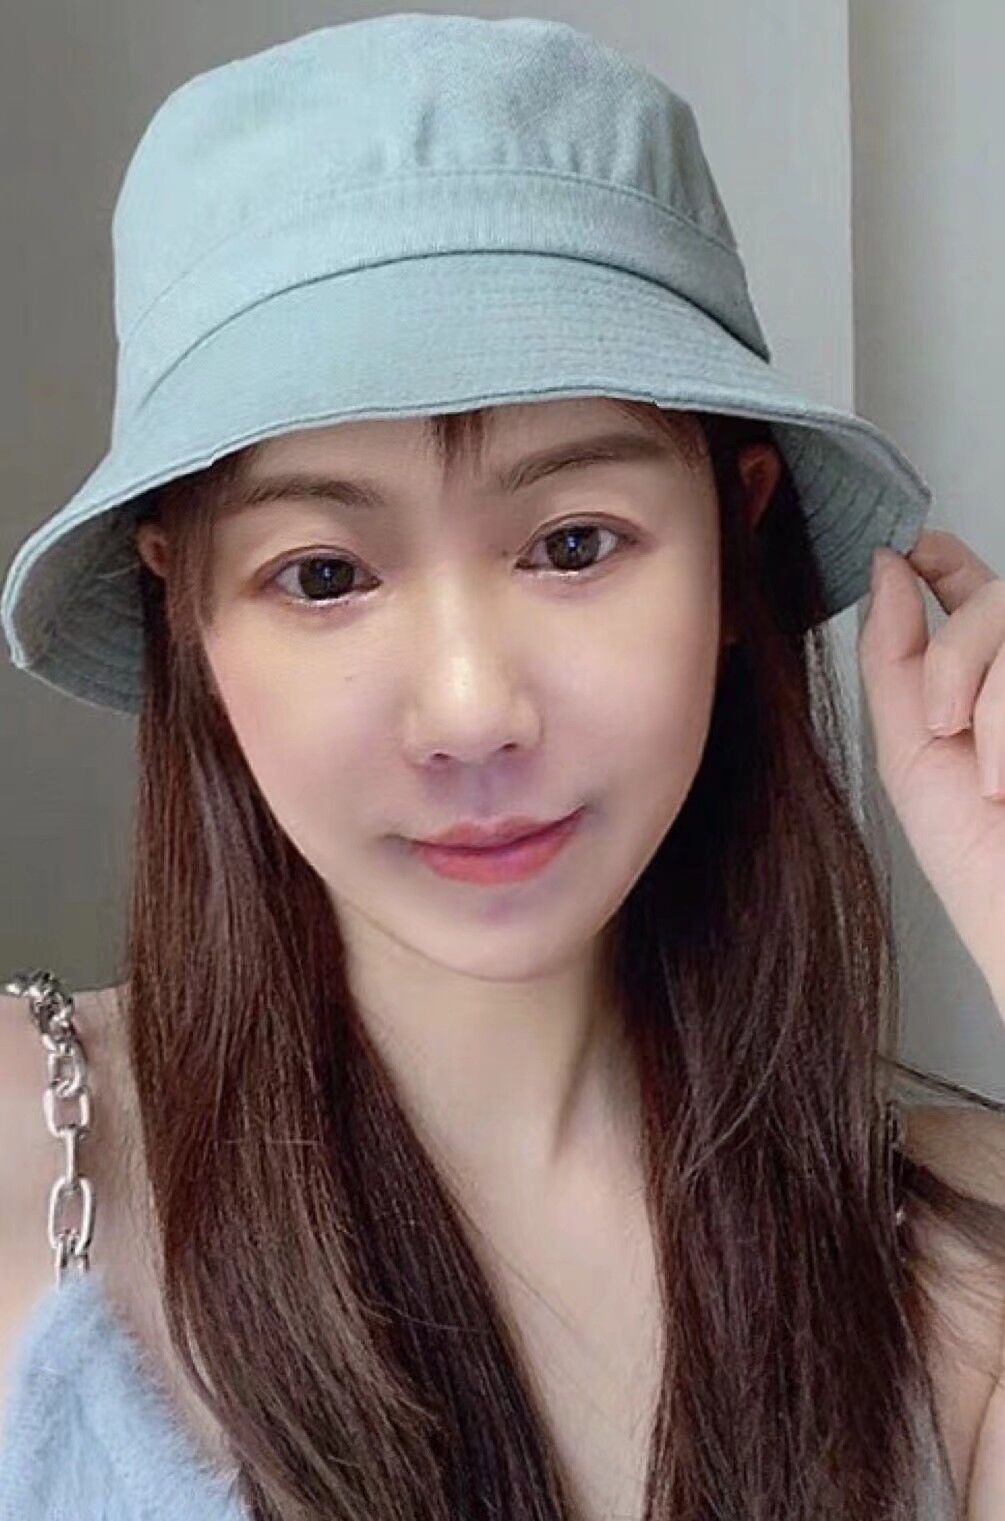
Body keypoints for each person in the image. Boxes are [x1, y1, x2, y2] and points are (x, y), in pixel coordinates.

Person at [2, 14, 1005, 1521]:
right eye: (325, 574)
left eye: (574, 543)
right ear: (185, 612)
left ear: (734, 553)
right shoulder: (30, 1152)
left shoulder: (960, 1277)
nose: (472, 714)